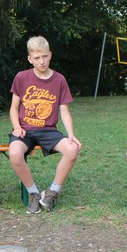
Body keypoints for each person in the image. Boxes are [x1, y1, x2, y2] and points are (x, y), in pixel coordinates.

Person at [8, 36, 82, 214]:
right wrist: (16, 127)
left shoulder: (59, 80)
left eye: (44, 56)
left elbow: (64, 110)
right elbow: (13, 108)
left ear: (50, 55)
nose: (41, 61)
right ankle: (33, 193)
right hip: (25, 130)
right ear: (30, 59)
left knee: (72, 149)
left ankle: (51, 193)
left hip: (48, 130)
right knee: (15, 153)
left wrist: (71, 134)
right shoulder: (21, 77)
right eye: (37, 58)